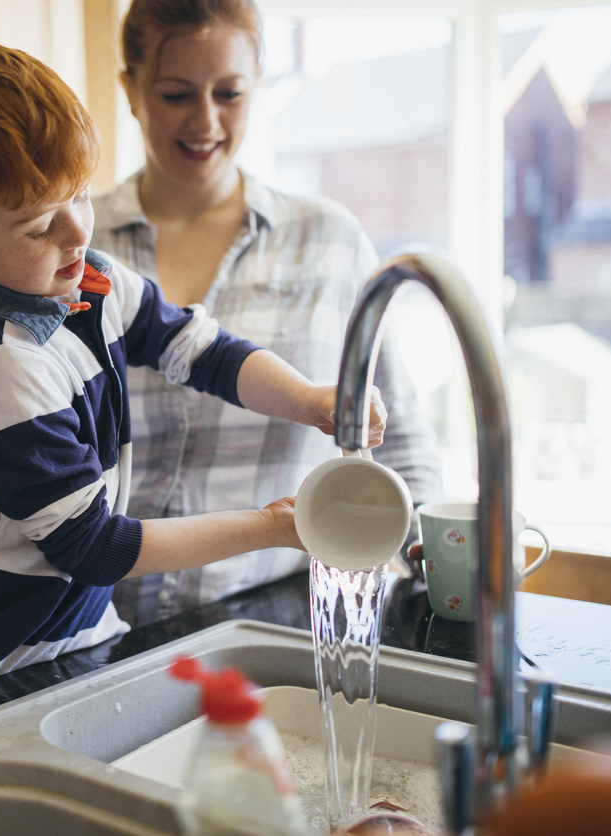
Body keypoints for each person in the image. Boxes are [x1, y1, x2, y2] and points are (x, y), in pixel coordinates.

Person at [0, 27, 387, 699]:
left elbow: (204, 351)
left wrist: (310, 400)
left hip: (80, 640)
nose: (77, 232)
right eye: (37, 224)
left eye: (80, 195)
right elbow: (97, 548)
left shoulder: (88, 281)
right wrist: (273, 528)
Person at [92, 0, 445, 626]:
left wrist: (434, 567)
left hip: (282, 614)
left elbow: (400, 435)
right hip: (102, 624)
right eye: (176, 94)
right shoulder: (77, 249)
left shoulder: (329, 241)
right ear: (130, 89)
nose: (206, 121)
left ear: (257, 86)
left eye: (229, 93)